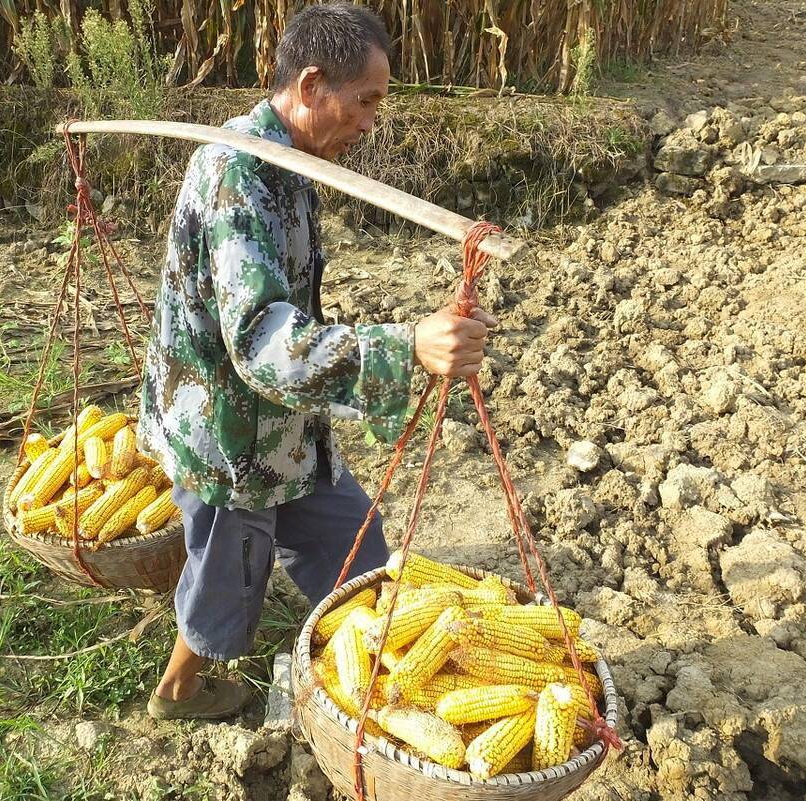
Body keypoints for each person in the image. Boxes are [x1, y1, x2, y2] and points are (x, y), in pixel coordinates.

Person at [137, 1, 497, 720]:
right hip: (228, 431)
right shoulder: (239, 174)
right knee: (227, 578)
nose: (370, 123)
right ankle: (178, 690)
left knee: (353, 545)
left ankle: (371, 673)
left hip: (284, 423)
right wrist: (407, 348)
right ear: (310, 85)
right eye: (364, 102)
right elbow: (264, 341)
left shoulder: (290, 160)